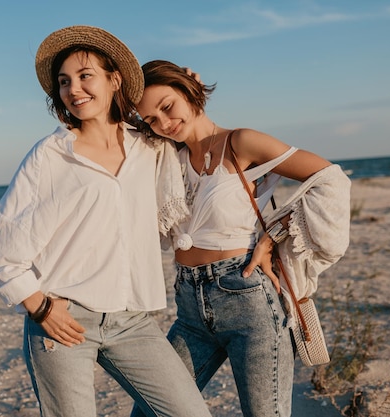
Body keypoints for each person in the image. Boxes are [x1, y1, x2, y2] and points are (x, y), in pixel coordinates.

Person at [0, 27, 212, 417]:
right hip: (63, 319)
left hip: (134, 321)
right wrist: (39, 308)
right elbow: (2, 241)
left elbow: (191, 135)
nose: (74, 89)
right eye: (64, 81)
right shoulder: (50, 156)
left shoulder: (149, 147)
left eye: (85, 75)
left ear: (114, 80)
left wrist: (188, 89)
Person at [132, 60, 351, 417]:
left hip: (247, 298)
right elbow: (120, 131)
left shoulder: (241, 142)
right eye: (152, 119)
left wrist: (272, 236)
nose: (163, 122)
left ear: (188, 94)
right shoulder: (169, 158)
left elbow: (329, 179)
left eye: (167, 106)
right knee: (150, 411)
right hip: (189, 307)